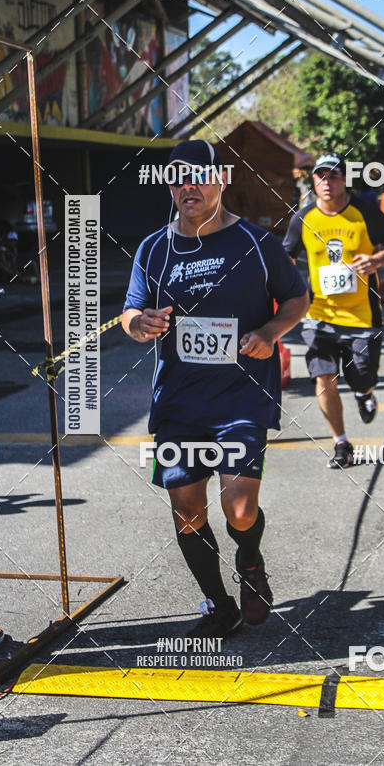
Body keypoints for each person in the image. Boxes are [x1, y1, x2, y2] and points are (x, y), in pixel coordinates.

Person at [122, 140, 309, 639]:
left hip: (242, 397)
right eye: (177, 178)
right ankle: (220, 606)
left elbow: (297, 298)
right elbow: (131, 310)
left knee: (240, 510)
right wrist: (139, 323)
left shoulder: (256, 242)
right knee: (187, 512)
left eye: (199, 176)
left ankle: (250, 559)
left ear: (220, 180)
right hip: (178, 401)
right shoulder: (154, 248)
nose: (188, 186)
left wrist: (270, 332)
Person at [283, 153, 384, 469]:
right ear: (313, 180)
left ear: (344, 179)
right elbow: (285, 257)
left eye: (333, 176)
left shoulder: (365, 213)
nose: (327, 182)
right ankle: (341, 443)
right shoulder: (303, 218)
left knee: (362, 377)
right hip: (319, 314)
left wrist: (376, 260)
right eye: (321, 176)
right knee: (324, 377)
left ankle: (364, 393)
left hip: (362, 315)